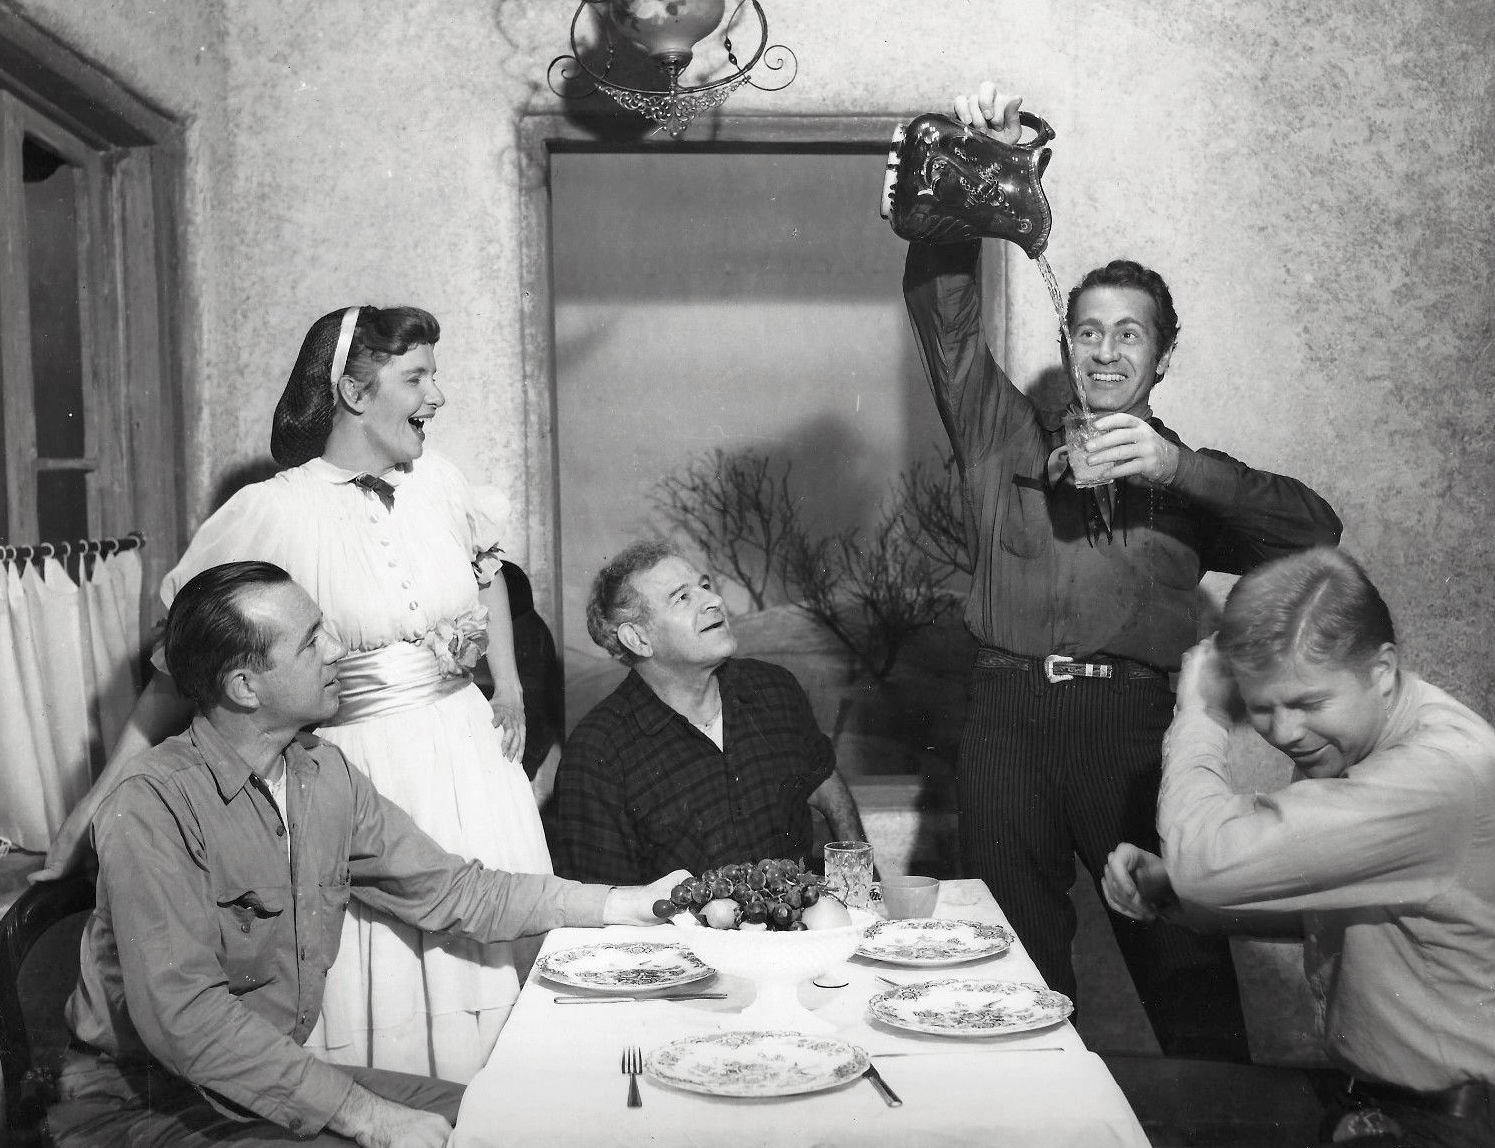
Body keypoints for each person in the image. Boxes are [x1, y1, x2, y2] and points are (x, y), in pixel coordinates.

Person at [900, 82, 1343, 1058]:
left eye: (1128, 333)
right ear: (1066, 339)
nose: (1104, 349)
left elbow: (1315, 535)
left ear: (1161, 356)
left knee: (1187, 981)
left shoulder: (1193, 482)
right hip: (1003, 724)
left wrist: (1175, 467)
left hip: (1135, 734)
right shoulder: (998, 436)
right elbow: (944, 317)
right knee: (1009, 987)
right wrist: (973, 171)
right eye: (1088, 330)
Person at [35, 305, 550, 1081]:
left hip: (473, 761)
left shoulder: (440, 483)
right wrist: (91, 808)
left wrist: (505, 688)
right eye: (417, 378)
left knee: (494, 952)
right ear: (351, 390)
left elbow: (488, 584)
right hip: (366, 770)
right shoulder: (267, 512)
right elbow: (180, 674)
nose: (436, 397)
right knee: (396, 983)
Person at [47, 562, 682, 1148]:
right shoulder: (152, 805)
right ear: (244, 686)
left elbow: (457, 892)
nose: (338, 650)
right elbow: (188, 1020)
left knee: (501, 1121)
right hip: (129, 1104)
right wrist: (371, 1118)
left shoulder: (323, 775)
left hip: (248, 1090)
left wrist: (623, 904)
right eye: (311, 640)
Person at [1104, 547, 1495, 1147]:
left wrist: (1202, 714)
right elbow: (1343, 907)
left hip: (1448, 1126)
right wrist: (1174, 888)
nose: (1285, 733)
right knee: (1095, 1095)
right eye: (1261, 708)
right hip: (1375, 1098)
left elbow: (1206, 863)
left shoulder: (1436, 773)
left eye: (1309, 704)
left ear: (1382, 670)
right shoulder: (1361, 741)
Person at [551, 540, 867, 884]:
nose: (714, 600)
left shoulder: (773, 688)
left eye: (704, 586)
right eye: (682, 597)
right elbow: (605, 906)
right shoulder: (597, 755)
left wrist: (859, 880)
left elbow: (822, 779)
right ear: (638, 639)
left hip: (797, 932)